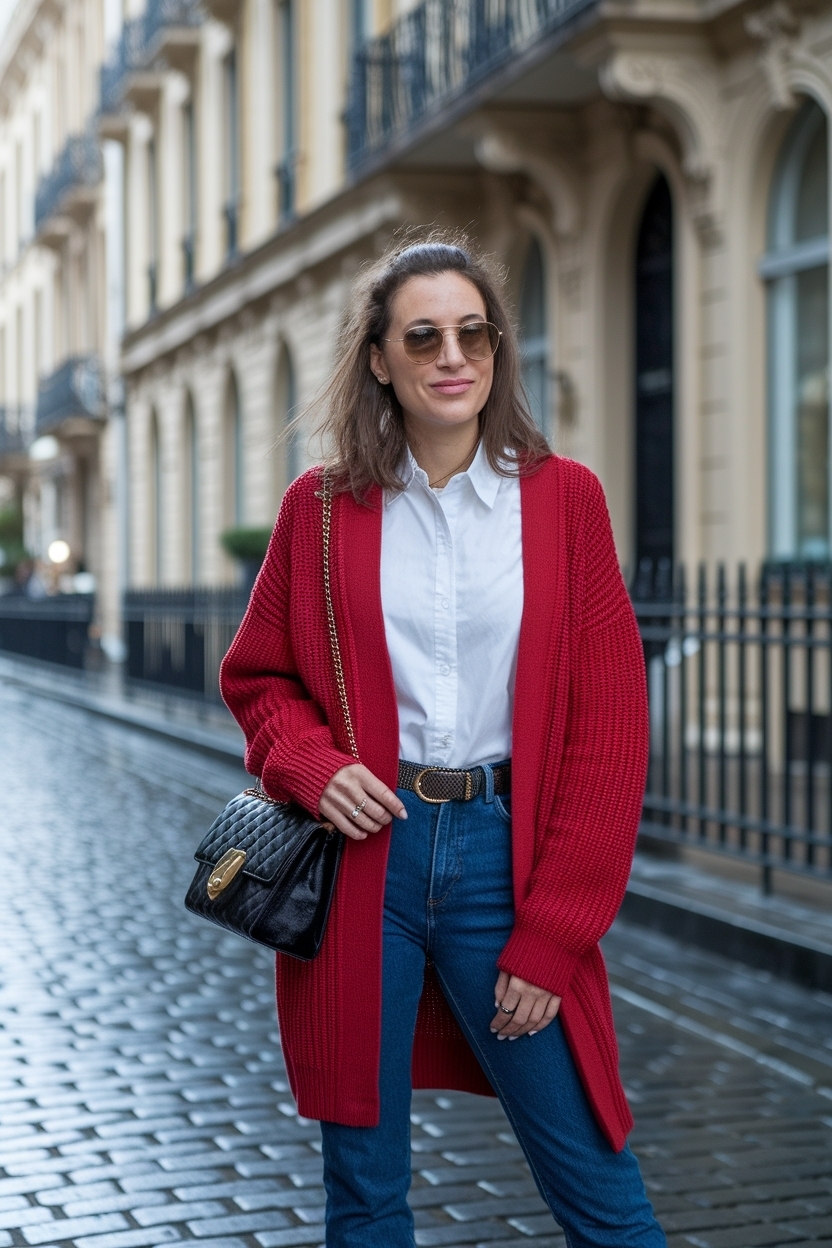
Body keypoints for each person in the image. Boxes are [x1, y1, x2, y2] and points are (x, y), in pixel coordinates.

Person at [220, 236, 666, 1248]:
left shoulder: (565, 502)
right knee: (365, 1196)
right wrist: (312, 766)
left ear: (498, 349)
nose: (452, 357)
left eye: (473, 334)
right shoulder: (320, 510)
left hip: (507, 864)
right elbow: (258, 679)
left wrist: (555, 934)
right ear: (380, 359)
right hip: (361, 865)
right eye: (422, 338)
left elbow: (609, 734)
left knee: (599, 1188)